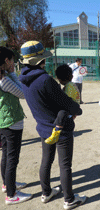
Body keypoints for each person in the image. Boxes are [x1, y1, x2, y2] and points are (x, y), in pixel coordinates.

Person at [19, 41, 86, 209]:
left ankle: (46, 192)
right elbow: (69, 105)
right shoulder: (45, 80)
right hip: (60, 129)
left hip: (43, 127)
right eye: (43, 59)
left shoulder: (23, 80)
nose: (45, 62)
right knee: (65, 165)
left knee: (46, 161)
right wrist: (77, 109)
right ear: (39, 60)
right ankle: (69, 200)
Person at [0, 47, 32, 205]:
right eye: (12, 60)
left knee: (6, 155)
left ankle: (7, 184)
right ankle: (11, 195)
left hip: (3, 122)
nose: (13, 62)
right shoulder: (4, 80)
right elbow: (23, 93)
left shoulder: (2, 77)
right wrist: (13, 73)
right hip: (12, 122)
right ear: (6, 61)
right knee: (12, 158)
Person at [44, 64, 81, 144]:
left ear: (58, 78)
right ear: (71, 76)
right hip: (73, 109)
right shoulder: (72, 84)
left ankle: (57, 131)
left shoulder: (69, 86)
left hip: (69, 109)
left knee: (62, 113)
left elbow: (66, 101)